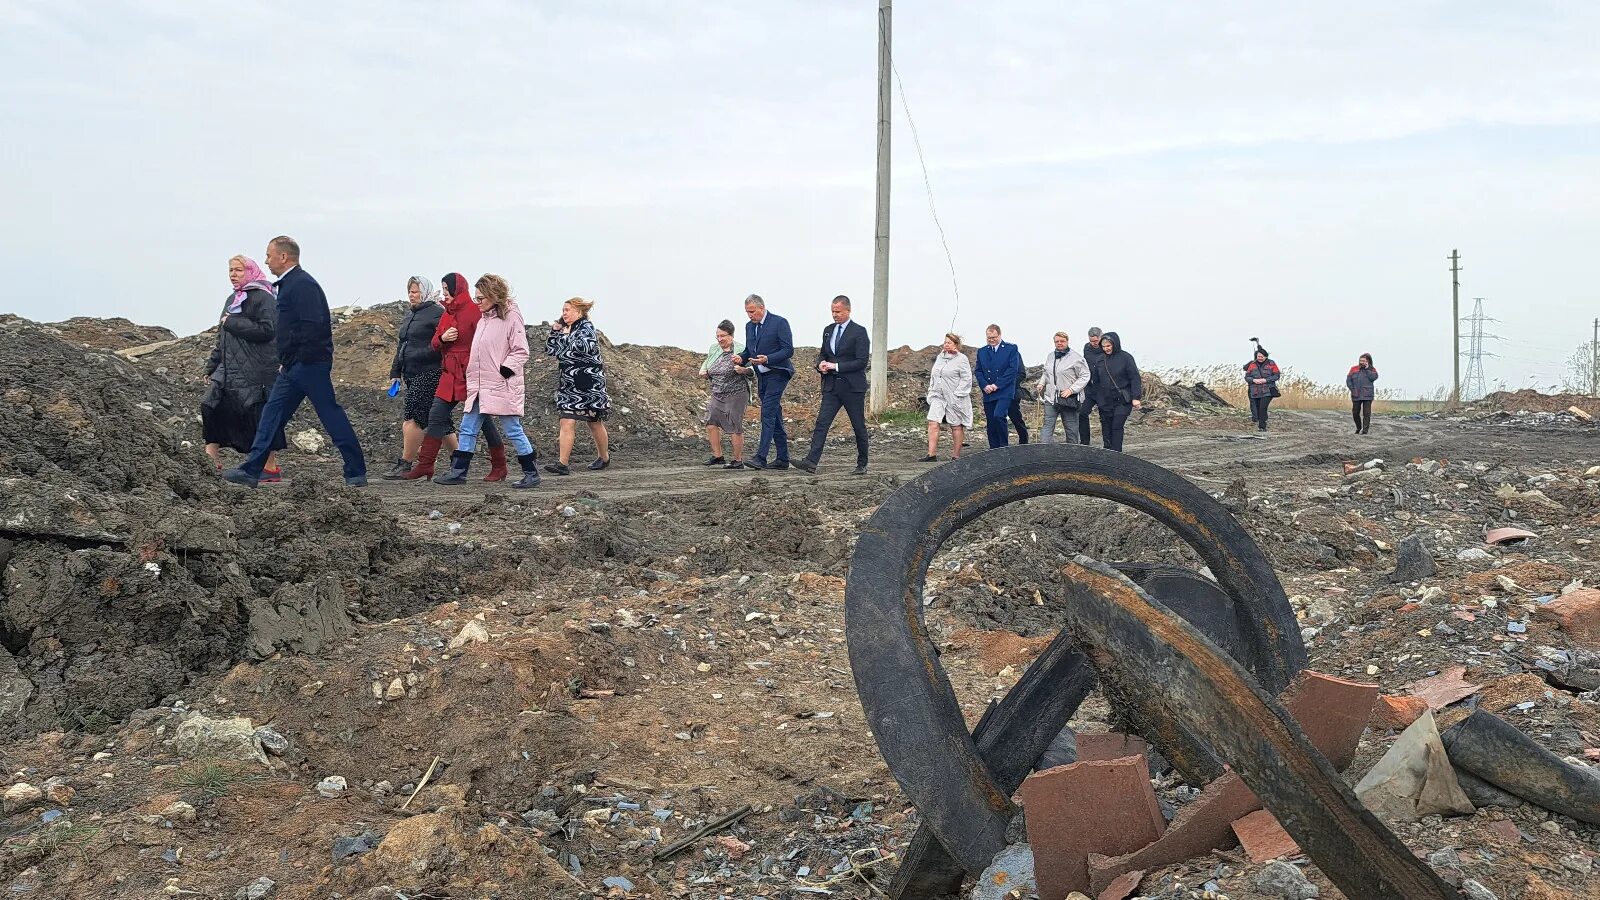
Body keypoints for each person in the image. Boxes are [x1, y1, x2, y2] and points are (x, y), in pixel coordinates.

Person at [223, 236, 367, 487]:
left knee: (330, 415)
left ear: (283, 257)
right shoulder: (289, 285)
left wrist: (297, 357)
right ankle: (251, 470)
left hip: (309, 365)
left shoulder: (302, 285)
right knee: (272, 414)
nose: (266, 261)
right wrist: (288, 360)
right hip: (293, 367)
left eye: (269, 255)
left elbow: (313, 327)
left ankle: (355, 471)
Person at [435, 275, 540, 488]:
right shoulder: (484, 319)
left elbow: (521, 351)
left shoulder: (511, 317)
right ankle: (459, 471)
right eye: (476, 298)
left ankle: (531, 472)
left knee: (512, 429)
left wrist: (504, 371)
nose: (477, 302)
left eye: (481, 298)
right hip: (480, 384)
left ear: (494, 295)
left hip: (501, 383)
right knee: (467, 427)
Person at [401, 273, 504, 480]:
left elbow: (486, 341)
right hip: (449, 373)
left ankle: (499, 466)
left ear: (457, 290)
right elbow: (434, 344)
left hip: (471, 373)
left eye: (447, 290)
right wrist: (443, 337)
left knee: (483, 420)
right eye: (443, 289)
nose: (445, 294)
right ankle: (425, 465)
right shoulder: (446, 313)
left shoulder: (475, 312)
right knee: (436, 415)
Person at [203, 255, 286, 480]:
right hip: (229, 367)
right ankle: (211, 459)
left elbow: (268, 330)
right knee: (211, 404)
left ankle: (269, 467)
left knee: (256, 414)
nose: (233, 274)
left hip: (257, 368)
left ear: (250, 271)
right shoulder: (233, 299)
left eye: (239, 270)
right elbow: (222, 337)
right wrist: (210, 367)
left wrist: (233, 322)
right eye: (230, 270)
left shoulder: (263, 297)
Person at [382, 276, 448, 478]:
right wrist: (395, 373)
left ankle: (406, 463)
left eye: (416, 291)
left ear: (425, 291)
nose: (411, 294)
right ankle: (459, 460)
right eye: (409, 291)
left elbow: (441, 344)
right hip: (410, 373)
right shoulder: (410, 315)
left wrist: (420, 354)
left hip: (429, 372)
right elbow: (402, 346)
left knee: (412, 419)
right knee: (440, 422)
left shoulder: (437, 313)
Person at [796, 295, 870, 475]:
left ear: (848, 310)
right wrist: (820, 364)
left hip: (852, 388)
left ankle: (862, 463)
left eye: (838, 312)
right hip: (831, 387)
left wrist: (836, 366)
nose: (834, 315)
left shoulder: (859, 332)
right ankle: (811, 462)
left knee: (858, 425)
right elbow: (823, 354)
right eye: (832, 311)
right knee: (822, 423)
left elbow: (861, 361)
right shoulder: (828, 330)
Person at [544, 297, 611, 475]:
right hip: (569, 384)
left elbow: (581, 347)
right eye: (563, 310)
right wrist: (555, 331)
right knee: (566, 419)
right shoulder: (567, 329)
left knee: (594, 422)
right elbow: (551, 350)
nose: (564, 313)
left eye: (567, 310)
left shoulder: (587, 328)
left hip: (589, 384)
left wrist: (564, 337)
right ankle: (562, 464)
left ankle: (604, 457)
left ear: (579, 312)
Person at [733, 294, 794, 470]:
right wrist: (741, 358)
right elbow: (749, 351)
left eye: (752, 311)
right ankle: (783, 459)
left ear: (761, 308)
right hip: (762, 376)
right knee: (774, 415)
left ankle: (761, 457)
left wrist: (767, 359)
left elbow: (788, 350)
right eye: (747, 312)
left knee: (767, 413)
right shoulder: (749, 327)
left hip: (778, 373)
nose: (750, 315)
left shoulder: (779, 322)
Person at [700, 319, 752, 469]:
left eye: (723, 336)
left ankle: (737, 461)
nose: (720, 339)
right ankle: (718, 456)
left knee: (735, 425)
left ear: (731, 336)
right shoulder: (714, 348)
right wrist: (703, 370)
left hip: (736, 393)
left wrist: (744, 370)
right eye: (717, 336)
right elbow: (707, 361)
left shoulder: (742, 349)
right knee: (711, 423)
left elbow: (753, 369)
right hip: (717, 392)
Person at [1088, 331, 1142, 452]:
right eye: (1104, 346)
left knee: (1117, 426)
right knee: (1106, 427)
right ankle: (1108, 452)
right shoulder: (1100, 360)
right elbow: (1095, 382)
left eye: (1109, 346)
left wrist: (1136, 397)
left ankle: (1117, 453)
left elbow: (1135, 378)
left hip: (1122, 399)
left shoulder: (1126, 358)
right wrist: (1098, 399)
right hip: (1105, 400)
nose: (1106, 349)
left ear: (1115, 344)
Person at [922, 333, 972, 461]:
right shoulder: (940, 357)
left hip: (954, 396)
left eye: (949, 342)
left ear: (956, 344)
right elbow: (935, 375)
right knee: (933, 422)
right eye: (945, 342)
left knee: (956, 425)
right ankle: (931, 454)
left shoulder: (962, 359)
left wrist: (958, 393)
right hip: (938, 395)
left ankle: (956, 456)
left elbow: (966, 378)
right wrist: (931, 391)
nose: (946, 345)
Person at [1035, 331, 1091, 443]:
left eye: (1062, 341)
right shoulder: (1050, 356)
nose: (1059, 343)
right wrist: (1041, 383)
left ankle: (1073, 454)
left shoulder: (1076, 358)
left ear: (1067, 341)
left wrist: (1071, 390)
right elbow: (1046, 372)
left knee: (1071, 430)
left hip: (1069, 399)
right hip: (1051, 398)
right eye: (1057, 341)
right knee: (1047, 426)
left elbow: (1085, 375)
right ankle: (1044, 453)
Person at [974, 324, 1024, 448]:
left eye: (994, 337)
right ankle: (993, 448)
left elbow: (1012, 370)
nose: (991, 340)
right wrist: (985, 385)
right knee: (991, 421)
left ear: (999, 335)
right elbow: (978, 371)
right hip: (988, 391)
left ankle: (1003, 446)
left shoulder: (1011, 349)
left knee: (999, 415)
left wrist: (997, 384)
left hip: (1004, 390)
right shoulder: (982, 351)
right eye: (989, 338)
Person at [1244, 345, 1282, 432]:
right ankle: (1262, 419)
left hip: (1268, 390)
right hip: (1255, 391)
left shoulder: (1271, 363)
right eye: (1258, 357)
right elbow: (1247, 377)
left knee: (1263, 408)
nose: (1260, 358)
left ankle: (1262, 427)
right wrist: (1253, 380)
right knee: (1257, 409)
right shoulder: (1252, 364)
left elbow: (1277, 375)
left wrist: (1265, 380)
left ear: (1266, 356)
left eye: (1262, 357)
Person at [1077, 326, 1104, 446]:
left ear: (1101, 337)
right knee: (1082, 413)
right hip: (1089, 388)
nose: (1094, 343)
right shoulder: (1087, 348)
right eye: (1091, 341)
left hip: (1103, 389)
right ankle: (1085, 442)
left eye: (1096, 341)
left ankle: (1108, 445)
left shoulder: (1107, 347)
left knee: (1104, 417)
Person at [1347, 353, 1379, 434]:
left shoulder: (1372, 369)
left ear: (1367, 361)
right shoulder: (1353, 369)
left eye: (1363, 361)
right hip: (1356, 394)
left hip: (1367, 395)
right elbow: (1348, 380)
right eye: (1360, 360)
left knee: (1366, 413)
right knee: (1355, 413)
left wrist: (1367, 369)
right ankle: (1358, 428)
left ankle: (1365, 431)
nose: (1361, 362)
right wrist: (1353, 390)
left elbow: (1373, 378)